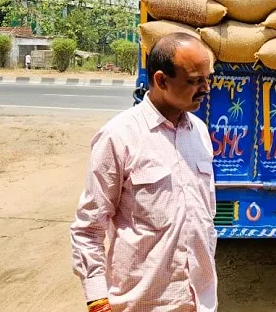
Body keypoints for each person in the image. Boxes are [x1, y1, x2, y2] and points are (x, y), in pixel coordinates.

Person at [70, 33, 218, 312]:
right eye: (194, 81)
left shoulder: (199, 132)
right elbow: (88, 228)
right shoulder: (119, 136)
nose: (206, 88)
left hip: (199, 302)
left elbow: (203, 217)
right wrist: (98, 301)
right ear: (162, 80)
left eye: (207, 79)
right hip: (142, 304)